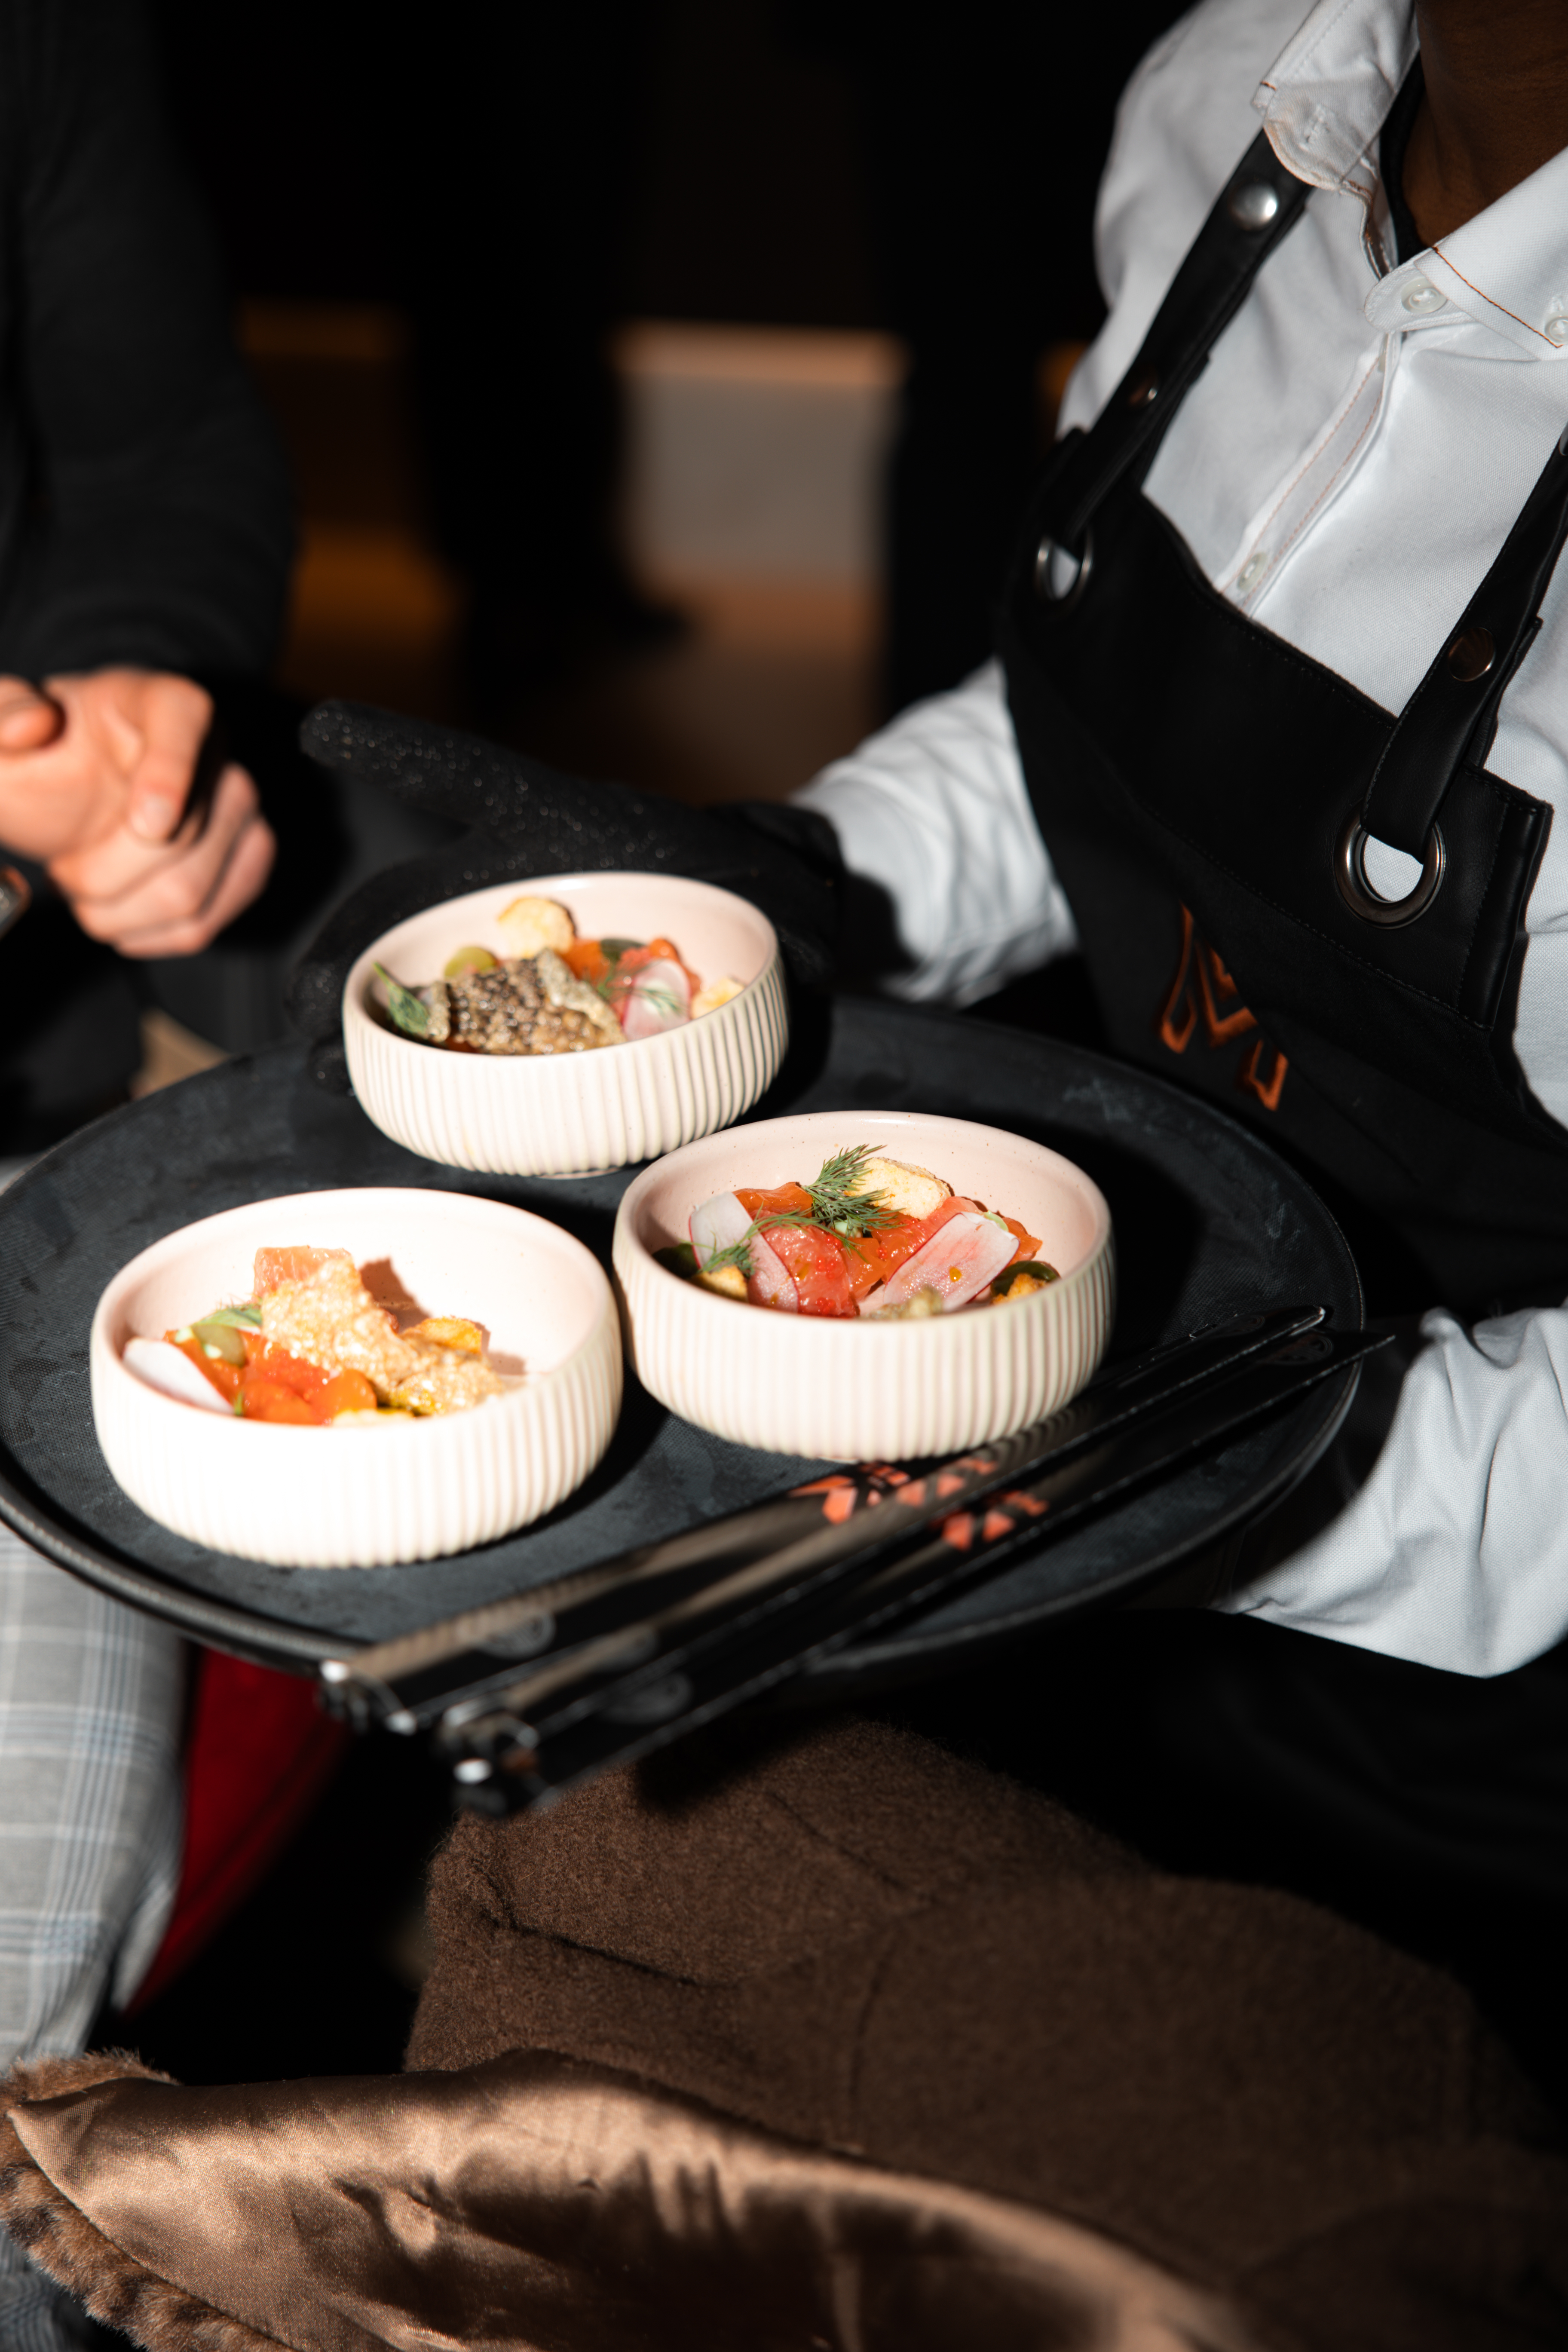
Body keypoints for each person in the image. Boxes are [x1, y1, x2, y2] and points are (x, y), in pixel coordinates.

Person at [286, 0, 1568, 2110]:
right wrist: (804, 885)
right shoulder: (1236, 82)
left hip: (1470, 1761)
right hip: (1044, 1486)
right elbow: (1108, 685)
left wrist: (1185, 1460)